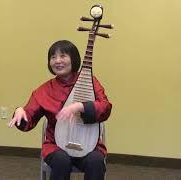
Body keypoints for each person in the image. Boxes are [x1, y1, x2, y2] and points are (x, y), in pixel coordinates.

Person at [8, 40, 112, 180]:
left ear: (73, 59)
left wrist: (80, 106)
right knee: (61, 161)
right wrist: (20, 112)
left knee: (96, 162)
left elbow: (105, 107)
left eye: (63, 56)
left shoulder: (90, 81)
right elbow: (29, 118)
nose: (58, 61)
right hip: (56, 146)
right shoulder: (45, 90)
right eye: (53, 57)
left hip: (89, 144)